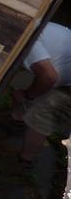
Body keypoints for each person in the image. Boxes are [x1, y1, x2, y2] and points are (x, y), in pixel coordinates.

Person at [13, 22, 71, 164]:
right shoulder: (39, 26)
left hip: (66, 86)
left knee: (43, 115)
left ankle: (25, 160)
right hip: (64, 73)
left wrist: (28, 95)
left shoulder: (28, 37)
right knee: (20, 81)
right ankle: (18, 119)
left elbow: (49, 76)